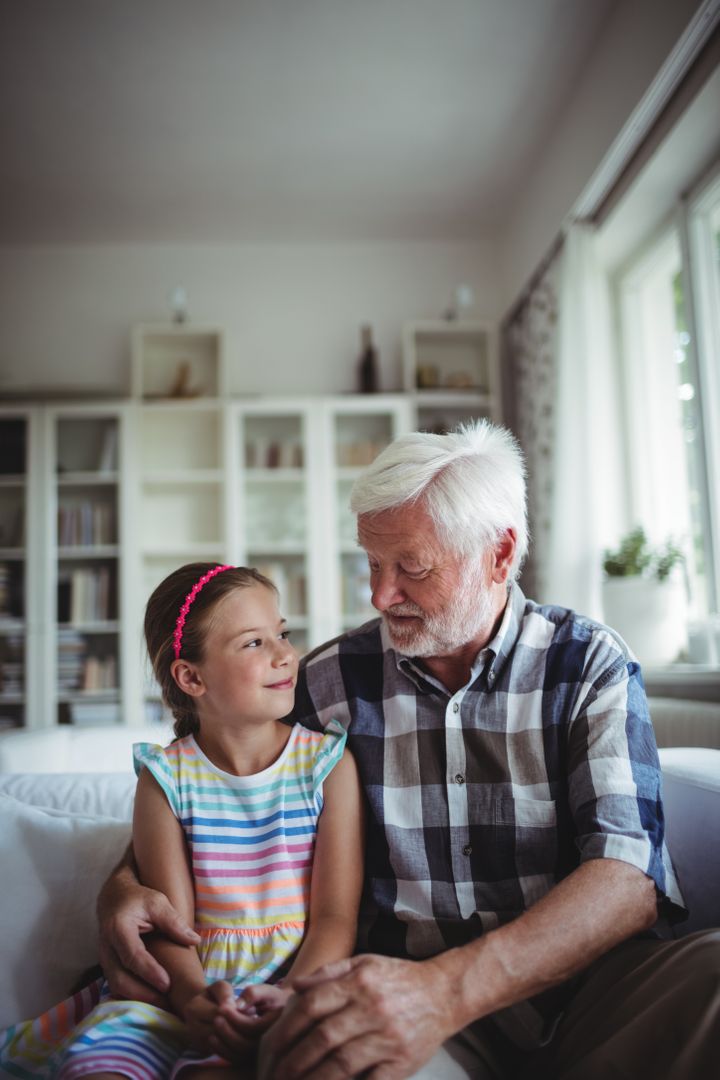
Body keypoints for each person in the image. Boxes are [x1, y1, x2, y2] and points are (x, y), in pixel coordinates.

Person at [97, 421, 719, 1079]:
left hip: (597, 990)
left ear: (499, 556)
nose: (379, 594)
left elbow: (629, 876)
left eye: (411, 568)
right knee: (315, 1060)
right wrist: (119, 887)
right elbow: (206, 791)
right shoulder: (326, 681)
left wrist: (447, 991)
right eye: (371, 563)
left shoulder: (588, 661)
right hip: (397, 996)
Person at [0, 563, 364, 1079]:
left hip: (293, 991)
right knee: (99, 1069)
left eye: (281, 633)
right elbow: (174, 924)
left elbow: (334, 918)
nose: (285, 653)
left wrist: (288, 1002)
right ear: (192, 677)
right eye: (253, 643)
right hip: (177, 995)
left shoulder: (328, 766)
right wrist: (196, 1005)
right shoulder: (165, 777)